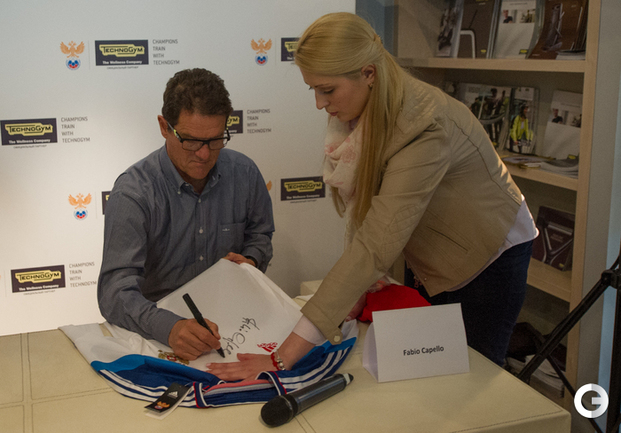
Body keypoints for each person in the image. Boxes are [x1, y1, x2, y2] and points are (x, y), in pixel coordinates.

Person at [207, 12, 537, 381]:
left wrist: (282, 357)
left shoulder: (425, 126)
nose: (319, 104)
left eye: (327, 90)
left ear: (368, 73)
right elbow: (370, 218)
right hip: (432, 251)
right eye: (313, 89)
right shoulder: (364, 106)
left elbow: (377, 242)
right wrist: (354, 290)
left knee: (471, 379)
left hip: (488, 257)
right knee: (431, 373)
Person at [98, 68, 275, 361]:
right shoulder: (134, 193)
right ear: (164, 127)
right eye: (191, 141)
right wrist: (169, 327)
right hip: (159, 333)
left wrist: (251, 261)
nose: (204, 154)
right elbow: (114, 293)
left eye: (215, 140)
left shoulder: (244, 173)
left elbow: (260, 235)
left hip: (235, 324)